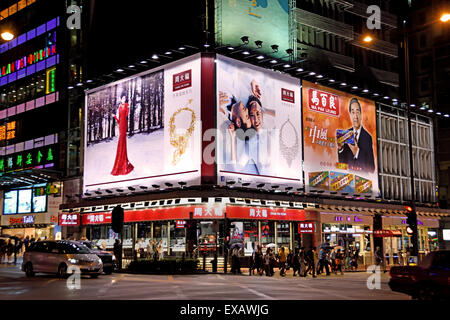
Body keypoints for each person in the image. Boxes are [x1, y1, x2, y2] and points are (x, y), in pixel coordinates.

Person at [337, 98, 375, 173]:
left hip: (362, 181)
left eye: (357, 112)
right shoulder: (346, 134)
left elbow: (371, 168)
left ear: (361, 114)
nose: (355, 116)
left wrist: (357, 152)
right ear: (350, 115)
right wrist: (340, 149)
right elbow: (342, 164)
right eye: (353, 112)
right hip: (347, 180)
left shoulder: (367, 137)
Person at [111, 94, 134, 176]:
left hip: (124, 125)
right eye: (122, 98)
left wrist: (129, 106)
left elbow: (126, 115)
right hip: (121, 125)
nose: (124, 99)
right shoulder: (120, 106)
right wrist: (114, 117)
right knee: (120, 143)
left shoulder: (127, 105)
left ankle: (124, 162)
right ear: (120, 99)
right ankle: (121, 161)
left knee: (123, 143)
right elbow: (119, 119)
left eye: (125, 98)